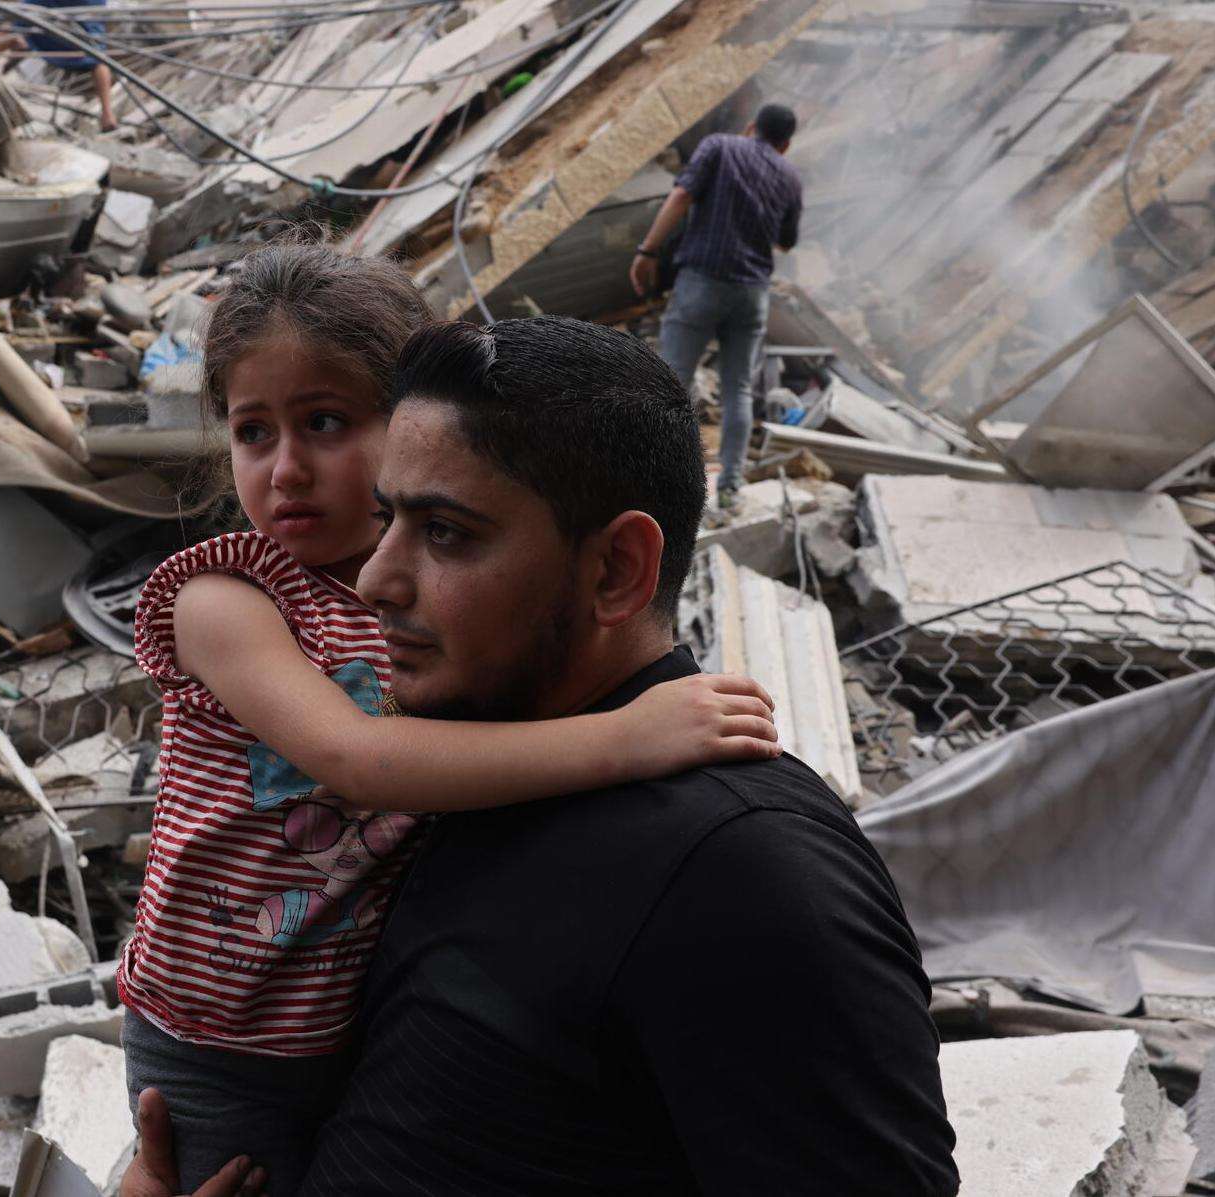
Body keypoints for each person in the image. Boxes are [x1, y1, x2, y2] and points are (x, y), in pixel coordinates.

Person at [126, 315, 959, 1197]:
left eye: (444, 532)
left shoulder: (741, 871)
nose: (373, 580)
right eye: (384, 518)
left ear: (614, 571)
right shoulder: (466, 774)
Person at [631, 102, 803, 508]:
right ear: (786, 145)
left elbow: (680, 197)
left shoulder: (720, 147)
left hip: (703, 281)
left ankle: (656, 481)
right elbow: (785, 241)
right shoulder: (790, 177)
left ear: (750, 127)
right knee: (739, 389)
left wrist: (648, 251)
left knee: (671, 383)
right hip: (752, 294)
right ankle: (729, 485)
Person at [0, 0, 119, 132]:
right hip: (76, 13)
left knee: (17, 22)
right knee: (97, 56)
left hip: (74, 10)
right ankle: (107, 114)